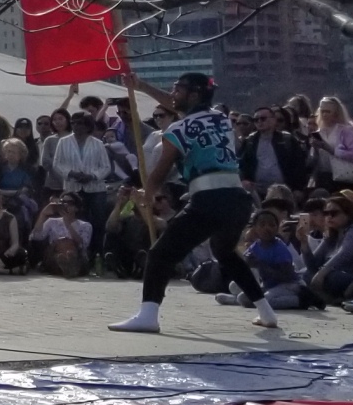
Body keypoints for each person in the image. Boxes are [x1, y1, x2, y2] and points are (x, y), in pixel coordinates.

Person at [111, 72, 277, 333]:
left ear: (195, 95)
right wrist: (141, 86)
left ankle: (148, 315)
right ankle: (266, 312)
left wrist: (148, 191)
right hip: (237, 200)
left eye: (179, 90)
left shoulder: (176, 129)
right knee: (224, 252)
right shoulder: (221, 119)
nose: (173, 96)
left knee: (160, 254)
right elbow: (180, 108)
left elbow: (162, 168)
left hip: (208, 201)